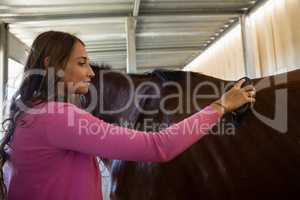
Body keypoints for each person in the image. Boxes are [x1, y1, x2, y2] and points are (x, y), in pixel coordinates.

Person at [0, 31, 256, 200]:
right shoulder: (57, 116)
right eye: (81, 63)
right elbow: (159, 147)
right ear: (49, 64)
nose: (90, 72)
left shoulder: (30, 112)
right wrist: (221, 106)